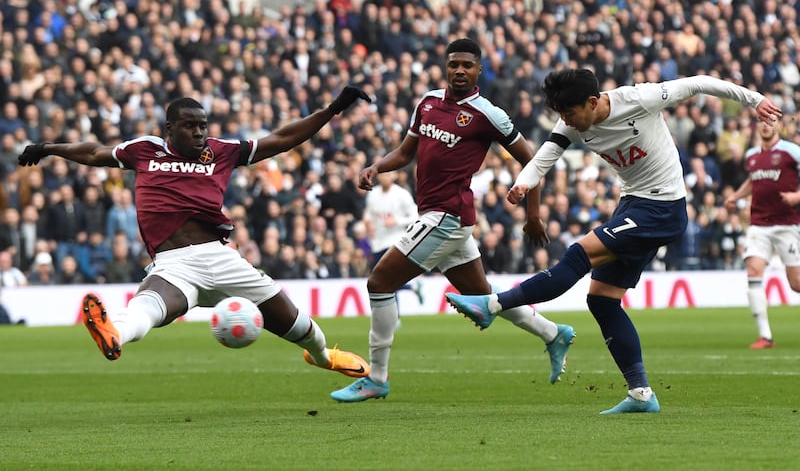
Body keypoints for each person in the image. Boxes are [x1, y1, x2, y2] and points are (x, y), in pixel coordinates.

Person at [446, 68, 782, 414]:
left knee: (579, 253)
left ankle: (494, 306)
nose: (566, 122)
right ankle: (641, 394)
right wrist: (523, 183)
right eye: (561, 115)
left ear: (592, 102)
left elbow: (698, 83)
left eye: (570, 114)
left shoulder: (640, 99)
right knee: (602, 300)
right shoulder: (572, 123)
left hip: (663, 207)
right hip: (633, 203)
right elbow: (545, 155)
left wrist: (755, 101)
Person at [18, 88, 373, 382]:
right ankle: (113, 334)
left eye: (203, 125)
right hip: (174, 264)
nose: (200, 133)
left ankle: (324, 356)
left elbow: (280, 139)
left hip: (220, 256)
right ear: (170, 128)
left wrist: (332, 110)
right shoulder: (146, 149)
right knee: (147, 309)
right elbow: (95, 152)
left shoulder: (219, 152)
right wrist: (49, 149)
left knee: (299, 326)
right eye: (191, 126)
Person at [332, 38, 574, 403]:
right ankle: (553, 333)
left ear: (479, 70)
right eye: (453, 64)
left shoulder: (488, 114)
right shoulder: (427, 103)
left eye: (467, 65)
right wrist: (377, 166)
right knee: (483, 296)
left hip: (448, 215)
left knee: (380, 281)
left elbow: (532, 160)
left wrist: (534, 214)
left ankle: (376, 377)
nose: (459, 70)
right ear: (446, 68)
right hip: (435, 214)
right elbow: (405, 152)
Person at [723, 119, 800, 349]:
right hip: (759, 224)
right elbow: (752, 181)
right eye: (762, 122)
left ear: (779, 126)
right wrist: (735, 196)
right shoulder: (752, 155)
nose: (766, 126)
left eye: (771, 122)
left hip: (787, 223)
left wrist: (797, 197)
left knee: (796, 284)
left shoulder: (791, 151)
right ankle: (765, 336)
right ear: (758, 127)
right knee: (753, 270)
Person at [362, 170, 424, 325]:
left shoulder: (401, 194)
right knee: (378, 281)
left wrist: (396, 221)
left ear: (395, 176)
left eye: (388, 174)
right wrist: (367, 222)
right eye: (383, 174)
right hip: (377, 241)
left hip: (395, 241)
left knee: (387, 280)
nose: (385, 177)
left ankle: (394, 318)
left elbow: (415, 215)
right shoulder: (373, 194)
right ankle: (411, 287)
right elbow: (369, 214)